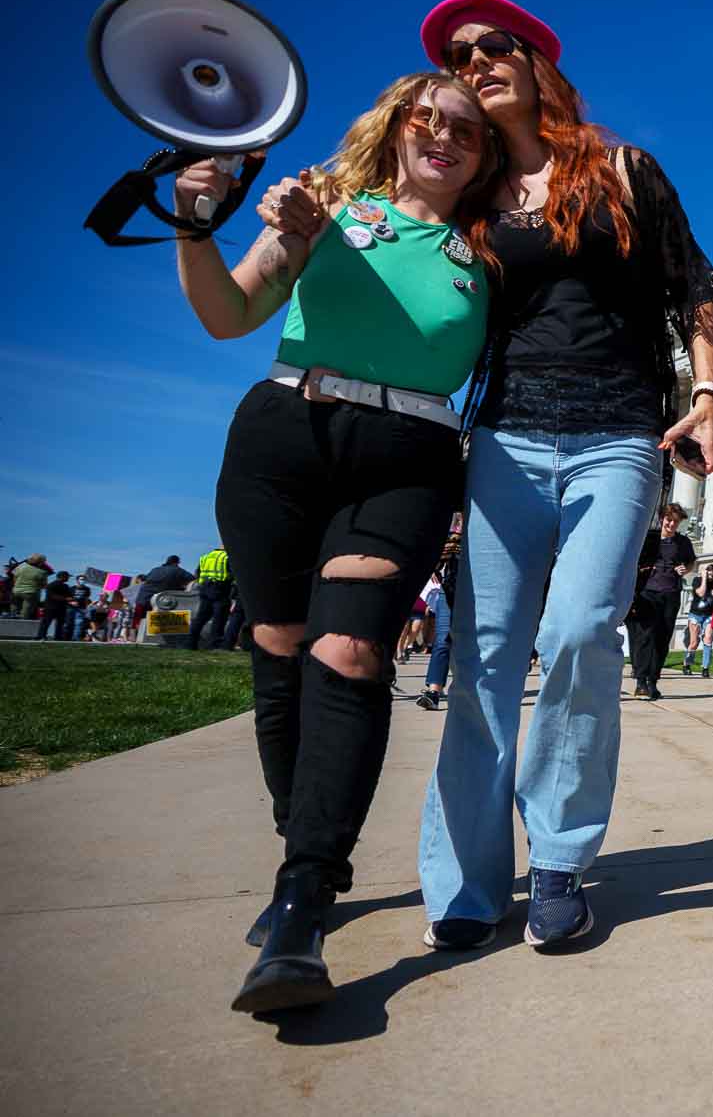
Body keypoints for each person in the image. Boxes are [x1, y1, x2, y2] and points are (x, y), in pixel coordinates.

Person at [405, 0, 713, 955]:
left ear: (539, 60)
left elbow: (693, 288)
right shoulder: (467, 197)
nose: (475, 66)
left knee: (585, 629)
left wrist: (706, 394)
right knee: (485, 659)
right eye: (458, 60)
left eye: (492, 47)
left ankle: (557, 859)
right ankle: (466, 880)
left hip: (618, 433)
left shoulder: (624, 169)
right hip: (505, 434)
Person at [176, 67, 505, 1012]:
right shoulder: (325, 208)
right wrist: (198, 222)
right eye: (428, 120)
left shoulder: (488, 251)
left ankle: (305, 900)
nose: (444, 138)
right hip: (284, 434)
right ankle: (301, 843)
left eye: (468, 133)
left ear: (484, 157)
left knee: (351, 653)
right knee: (277, 650)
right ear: (397, 127)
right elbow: (225, 313)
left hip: (407, 451)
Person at [626, 504, 696, 700]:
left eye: (676, 521)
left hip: (671, 593)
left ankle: (653, 681)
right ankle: (640, 681)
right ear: (662, 518)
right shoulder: (648, 538)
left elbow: (691, 561)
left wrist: (686, 569)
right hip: (647, 593)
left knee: (662, 638)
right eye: (669, 519)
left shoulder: (683, 542)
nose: (671, 524)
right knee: (644, 637)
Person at [417, 538, 461, 710]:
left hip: (484, 587)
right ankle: (434, 692)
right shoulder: (453, 520)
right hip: (450, 586)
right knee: (442, 639)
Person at [679, 561, 713, 676]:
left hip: (708, 616)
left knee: (708, 640)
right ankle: (687, 664)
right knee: (694, 642)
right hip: (695, 615)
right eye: (709, 575)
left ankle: (705, 668)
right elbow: (701, 593)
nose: (710, 577)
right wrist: (703, 578)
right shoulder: (697, 581)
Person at [132, 555, 192, 632]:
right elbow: (192, 578)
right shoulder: (177, 570)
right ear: (176, 563)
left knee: (138, 620)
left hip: (143, 598)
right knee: (153, 625)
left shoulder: (155, 569)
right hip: (159, 601)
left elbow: (146, 578)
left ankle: (133, 636)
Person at [189, 545, 232, 650]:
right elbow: (233, 574)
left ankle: (190, 643)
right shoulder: (227, 557)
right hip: (220, 589)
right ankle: (214, 644)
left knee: (201, 617)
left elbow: (198, 573)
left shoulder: (205, 557)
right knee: (219, 618)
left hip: (205, 589)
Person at [36, 572, 74, 641]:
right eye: (67, 577)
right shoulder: (51, 585)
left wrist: (71, 598)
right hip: (51, 607)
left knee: (59, 624)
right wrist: (65, 599)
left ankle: (57, 637)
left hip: (60, 607)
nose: (68, 578)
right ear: (62, 577)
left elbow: (70, 595)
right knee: (46, 622)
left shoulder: (65, 586)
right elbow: (52, 596)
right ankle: (41, 636)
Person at [11, 554, 49, 621]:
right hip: (30, 593)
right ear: (41, 562)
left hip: (16, 591)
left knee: (14, 609)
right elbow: (44, 586)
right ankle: (23, 624)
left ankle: (12, 619)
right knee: (26, 613)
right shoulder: (42, 572)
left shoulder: (21, 567)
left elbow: (14, 578)